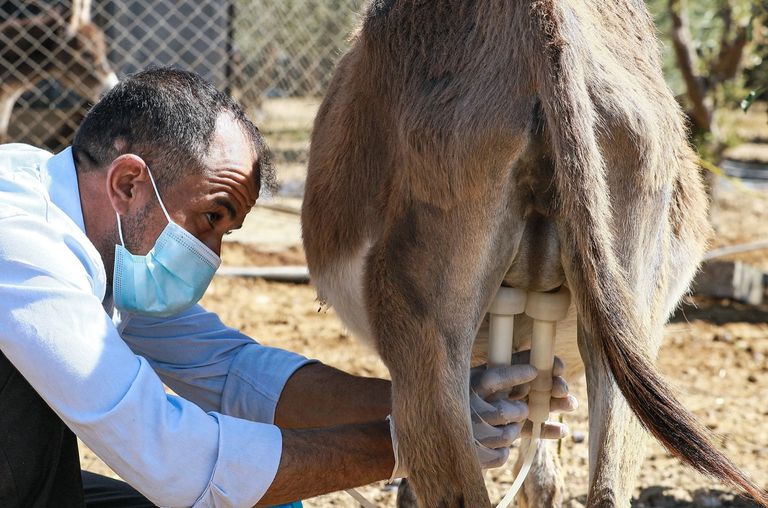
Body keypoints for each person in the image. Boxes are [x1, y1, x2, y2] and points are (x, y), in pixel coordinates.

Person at [0, 68, 577, 507]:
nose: (212, 256)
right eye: (211, 218)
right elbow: (173, 460)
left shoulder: (94, 230)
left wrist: (447, 401)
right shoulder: (23, 247)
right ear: (129, 183)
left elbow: (230, 371)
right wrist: (419, 440)